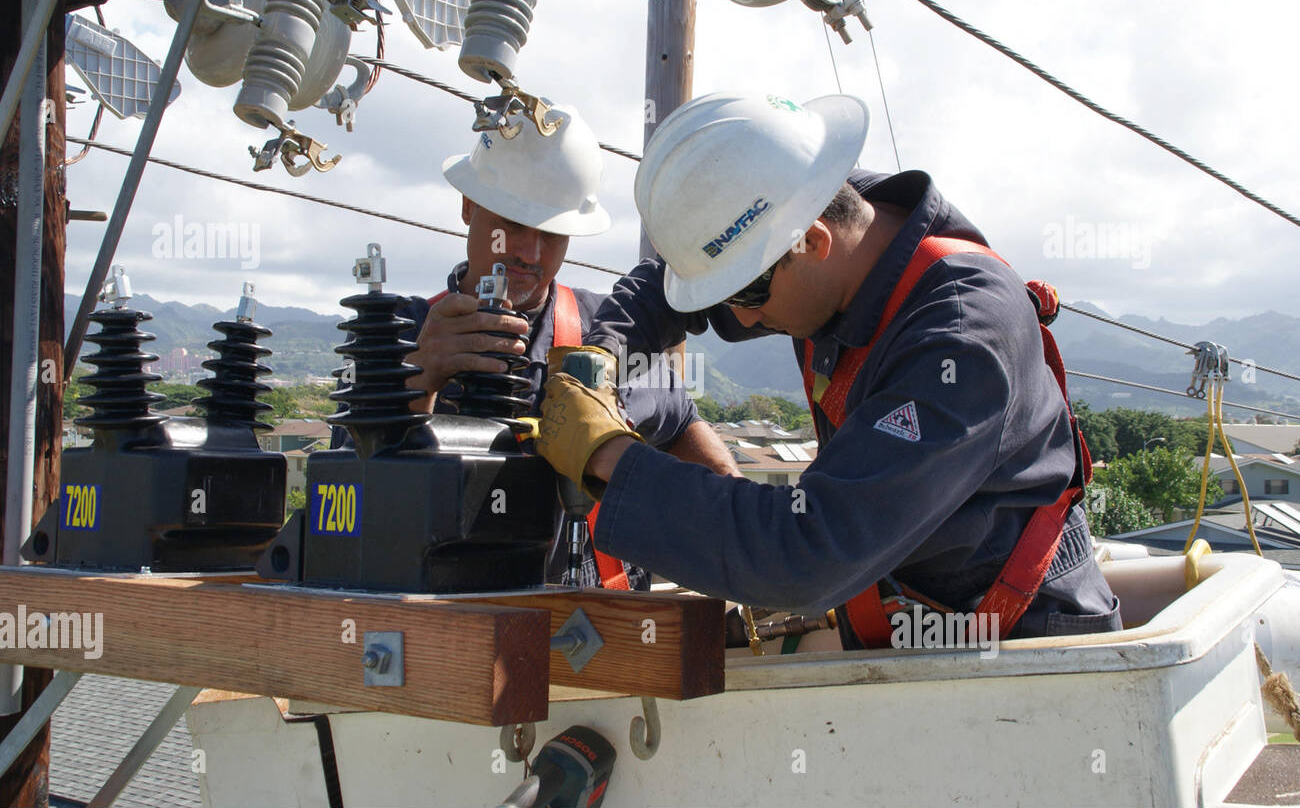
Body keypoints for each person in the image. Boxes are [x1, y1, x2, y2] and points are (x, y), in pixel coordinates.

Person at [536, 91, 1121, 646]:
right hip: (902, 613)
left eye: (744, 293)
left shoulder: (963, 339)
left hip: (1024, 644)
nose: (742, 315)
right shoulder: (827, 217)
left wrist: (609, 457)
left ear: (812, 243)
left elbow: (808, 552)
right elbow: (668, 286)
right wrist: (601, 359)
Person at [332, 102, 736, 589]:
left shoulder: (608, 331)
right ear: (467, 206)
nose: (530, 252)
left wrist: (731, 532)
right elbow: (346, 501)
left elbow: (685, 432)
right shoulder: (393, 336)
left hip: (596, 629)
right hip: (442, 625)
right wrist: (417, 381)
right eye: (514, 224)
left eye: (552, 233)